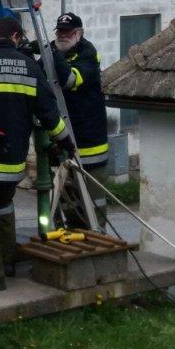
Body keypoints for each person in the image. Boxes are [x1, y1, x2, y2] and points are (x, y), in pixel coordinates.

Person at [0, 18, 75, 291]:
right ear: (16, 36)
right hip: (11, 162)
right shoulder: (30, 67)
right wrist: (65, 140)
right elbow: (49, 112)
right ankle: (8, 263)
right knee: (5, 209)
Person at [53, 12, 109, 224]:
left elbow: (70, 80)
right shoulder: (53, 49)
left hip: (89, 143)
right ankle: (73, 233)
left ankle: (98, 238)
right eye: (59, 31)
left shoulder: (88, 53)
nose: (62, 36)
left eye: (67, 32)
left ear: (79, 33)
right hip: (63, 141)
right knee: (68, 201)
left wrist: (52, 54)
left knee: (94, 201)